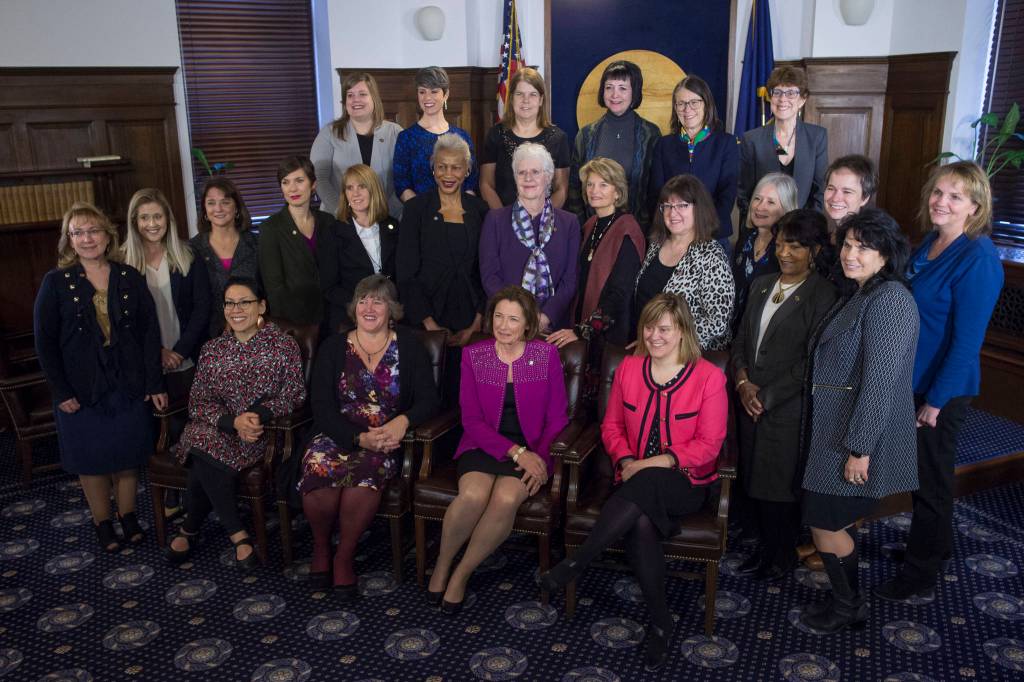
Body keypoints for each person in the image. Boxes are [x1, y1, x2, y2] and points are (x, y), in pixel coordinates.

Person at [540, 293, 728, 672]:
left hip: (685, 482)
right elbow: (610, 426)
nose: (654, 336)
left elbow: (709, 446)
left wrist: (649, 464)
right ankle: (661, 621)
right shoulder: (628, 368)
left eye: (664, 329)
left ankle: (578, 560)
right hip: (634, 477)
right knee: (640, 520)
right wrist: (626, 459)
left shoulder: (709, 376)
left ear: (681, 332)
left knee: (647, 486)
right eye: (649, 327)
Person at [874, 161, 1004, 603]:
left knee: (930, 479)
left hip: (943, 390)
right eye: (938, 192)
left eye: (955, 197)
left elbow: (967, 342)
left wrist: (935, 400)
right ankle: (936, 545)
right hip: (914, 378)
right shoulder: (930, 242)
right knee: (922, 474)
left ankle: (920, 573)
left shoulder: (979, 257)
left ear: (975, 206)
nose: (941, 202)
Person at [799, 208, 919, 633]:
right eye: (848, 244)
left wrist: (861, 448)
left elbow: (880, 383)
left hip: (853, 439)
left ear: (886, 255)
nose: (851, 254)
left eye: (863, 247)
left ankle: (849, 605)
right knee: (833, 520)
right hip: (836, 431)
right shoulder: (862, 292)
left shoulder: (891, 301)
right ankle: (847, 601)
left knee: (824, 522)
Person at [34, 202, 167, 553]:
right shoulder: (55, 282)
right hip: (79, 389)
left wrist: (154, 383)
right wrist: (60, 390)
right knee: (91, 460)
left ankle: (128, 516)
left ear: (108, 236)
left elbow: (149, 333)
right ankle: (103, 522)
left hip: (127, 383)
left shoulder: (129, 277)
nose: (87, 238)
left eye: (93, 231)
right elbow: (45, 343)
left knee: (127, 455)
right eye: (78, 232)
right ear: (69, 241)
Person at [427, 286, 568, 613]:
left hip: (532, 448)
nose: (504, 326)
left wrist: (540, 459)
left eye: (513, 319)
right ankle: (444, 564)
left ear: (528, 324)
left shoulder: (546, 356)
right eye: (499, 317)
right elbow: (472, 420)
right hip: (483, 444)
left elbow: (558, 417)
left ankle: (461, 574)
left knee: (505, 498)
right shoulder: (474, 355)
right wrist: (516, 453)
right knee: (473, 496)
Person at [299, 275, 439, 599]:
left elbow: (430, 400)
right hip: (335, 433)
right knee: (319, 472)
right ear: (354, 307)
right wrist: (356, 438)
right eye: (362, 300)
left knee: (363, 478)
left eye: (378, 300)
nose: (369, 307)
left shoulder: (409, 345)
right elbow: (320, 406)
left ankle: (344, 556)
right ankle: (321, 545)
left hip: (383, 438)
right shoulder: (333, 347)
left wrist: (403, 421)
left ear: (391, 310)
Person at [167, 277, 305, 568]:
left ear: (261, 306)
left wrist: (257, 416)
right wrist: (232, 421)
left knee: (200, 450)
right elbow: (198, 402)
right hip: (219, 427)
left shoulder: (283, 345)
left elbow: (294, 394)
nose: (236, 309)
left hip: (261, 433)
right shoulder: (212, 349)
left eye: (245, 302)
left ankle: (189, 527)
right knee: (203, 437)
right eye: (230, 303)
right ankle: (238, 535)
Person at [730, 209, 837, 583]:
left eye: (795, 245)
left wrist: (767, 397)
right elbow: (740, 339)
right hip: (750, 400)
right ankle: (764, 549)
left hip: (786, 408)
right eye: (779, 244)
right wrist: (743, 383)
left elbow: (813, 359)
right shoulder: (763, 283)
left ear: (814, 250)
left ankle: (781, 555)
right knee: (754, 479)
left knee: (779, 487)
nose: (784, 252)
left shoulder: (824, 295)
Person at [397, 134, 490, 404]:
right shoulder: (415, 210)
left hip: (470, 319)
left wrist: (476, 323)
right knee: (429, 399)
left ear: (468, 170)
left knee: (469, 400)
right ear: (432, 166)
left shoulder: (480, 210)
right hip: (425, 319)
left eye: (456, 167)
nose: (448, 174)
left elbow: (484, 271)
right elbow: (405, 273)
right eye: (442, 166)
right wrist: (430, 324)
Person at [547, 158, 645, 397]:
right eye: (590, 185)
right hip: (582, 326)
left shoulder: (628, 229)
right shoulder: (590, 224)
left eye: (603, 185)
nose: (594, 191)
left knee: (602, 404)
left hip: (611, 335)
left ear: (617, 191)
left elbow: (619, 294)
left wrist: (584, 330)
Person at [479, 143, 581, 333]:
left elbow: (570, 280)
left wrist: (544, 317)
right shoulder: (495, 220)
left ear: (548, 176)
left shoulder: (570, 223)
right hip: (505, 327)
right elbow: (489, 277)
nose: (528, 178)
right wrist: (517, 318)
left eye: (535, 172)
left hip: (553, 327)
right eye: (521, 172)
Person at [121, 187, 210, 394]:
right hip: (145, 363)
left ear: (167, 219)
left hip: (188, 359)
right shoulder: (121, 263)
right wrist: (158, 352)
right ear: (134, 221)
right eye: (144, 217)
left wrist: (180, 351)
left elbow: (202, 307)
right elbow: (125, 321)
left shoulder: (188, 254)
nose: (152, 224)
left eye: (157, 216)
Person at [633, 174, 734, 350]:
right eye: (668, 206)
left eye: (682, 205)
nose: (673, 213)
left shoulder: (711, 254)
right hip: (649, 346)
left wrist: (666, 343)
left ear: (699, 209)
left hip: (689, 355)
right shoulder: (656, 245)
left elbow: (717, 323)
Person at [648, 75, 739, 254]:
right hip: (672, 237)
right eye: (680, 103)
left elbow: (726, 195)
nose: (687, 109)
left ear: (707, 104)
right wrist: (675, 229)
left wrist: (701, 231)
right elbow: (656, 194)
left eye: (694, 102)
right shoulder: (663, 145)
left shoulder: (726, 143)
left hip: (713, 237)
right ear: (675, 108)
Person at [568, 60, 661, 228]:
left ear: (635, 92)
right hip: (593, 230)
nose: (614, 95)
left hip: (639, 231)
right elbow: (574, 187)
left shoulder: (651, 134)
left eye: (622, 88)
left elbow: (656, 189)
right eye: (609, 87)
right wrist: (584, 227)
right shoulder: (585, 135)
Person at [738, 66, 828, 224]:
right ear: (770, 97)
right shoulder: (752, 139)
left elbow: (820, 190)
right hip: (762, 228)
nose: (782, 99)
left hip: (803, 230)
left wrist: (805, 227)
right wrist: (759, 224)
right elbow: (744, 193)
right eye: (777, 92)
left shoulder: (817, 137)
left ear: (802, 99)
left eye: (791, 93)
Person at [319, 164, 399, 333]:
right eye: (349, 188)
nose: (355, 193)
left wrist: (389, 309)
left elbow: (402, 276)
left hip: (391, 318)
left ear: (373, 190)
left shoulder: (392, 226)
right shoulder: (333, 232)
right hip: (350, 319)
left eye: (362, 186)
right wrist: (365, 309)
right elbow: (329, 287)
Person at [310, 72, 403, 218]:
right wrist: (341, 212)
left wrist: (385, 212)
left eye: (362, 94)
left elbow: (402, 179)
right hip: (340, 219)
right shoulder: (329, 133)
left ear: (374, 98)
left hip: (387, 217)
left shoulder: (395, 132)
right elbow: (319, 178)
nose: (355, 100)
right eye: (350, 95)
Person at [258, 156, 336, 326]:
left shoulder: (329, 222)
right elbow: (274, 289)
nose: (292, 188)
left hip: (332, 318)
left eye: (299, 180)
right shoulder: (270, 228)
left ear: (313, 184)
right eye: (285, 182)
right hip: (294, 325)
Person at [480, 67, 571, 209]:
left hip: (544, 223)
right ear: (511, 99)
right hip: (503, 221)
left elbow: (562, 189)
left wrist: (540, 220)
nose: (526, 100)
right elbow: (486, 185)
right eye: (519, 94)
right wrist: (503, 220)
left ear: (541, 100)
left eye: (533, 94)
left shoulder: (558, 138)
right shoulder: (496, 134)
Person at [393, 66, 478, 201]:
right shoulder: (406, 137)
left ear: (446, 95)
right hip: (420, 215)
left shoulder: (463, 137)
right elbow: (401, 185)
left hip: (459, 214)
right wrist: (424, 212)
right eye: (422, 92)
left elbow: (471, 183)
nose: (427, 97)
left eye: (434, 91)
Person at [189, 177, 259, 338]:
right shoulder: (192, 249)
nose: (218, 208)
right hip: (207, 336)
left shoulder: (257, 244)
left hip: (253, 332)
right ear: (205, 211)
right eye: (211, 203)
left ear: (236, 208)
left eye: (225, 202)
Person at [732, 173, 799, 328]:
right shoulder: (745, 240)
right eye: (757, 198)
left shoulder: (788, 252)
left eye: (771, 202)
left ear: (786, 209)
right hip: (734, 331)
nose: (760, 207)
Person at [823, 154, 877, 243]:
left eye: (847, 192)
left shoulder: (869, 243)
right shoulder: (830, 237)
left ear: (865, 198)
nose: (835, 198)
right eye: (831, 188)